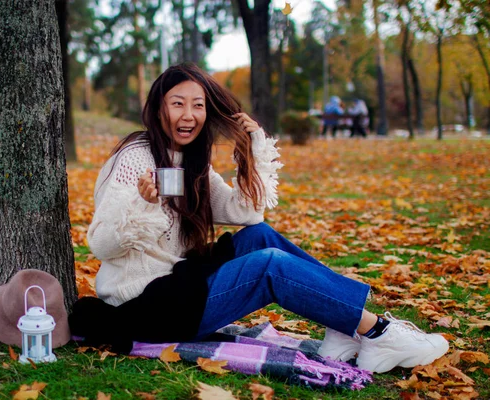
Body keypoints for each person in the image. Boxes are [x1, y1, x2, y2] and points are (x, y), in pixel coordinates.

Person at [83, 62, 448, 374]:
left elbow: (247, 213)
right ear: (158, 108)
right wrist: (142, 206)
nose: (189, 115)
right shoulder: (134, 158)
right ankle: (378, 332)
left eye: (198, 105)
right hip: (144, 306)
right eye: (177, 104)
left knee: (260, 236)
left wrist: (252, 147)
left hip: (179, 284)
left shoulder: (192, 162)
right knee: (269, 265)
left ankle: (342, 326)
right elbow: (101, 244)